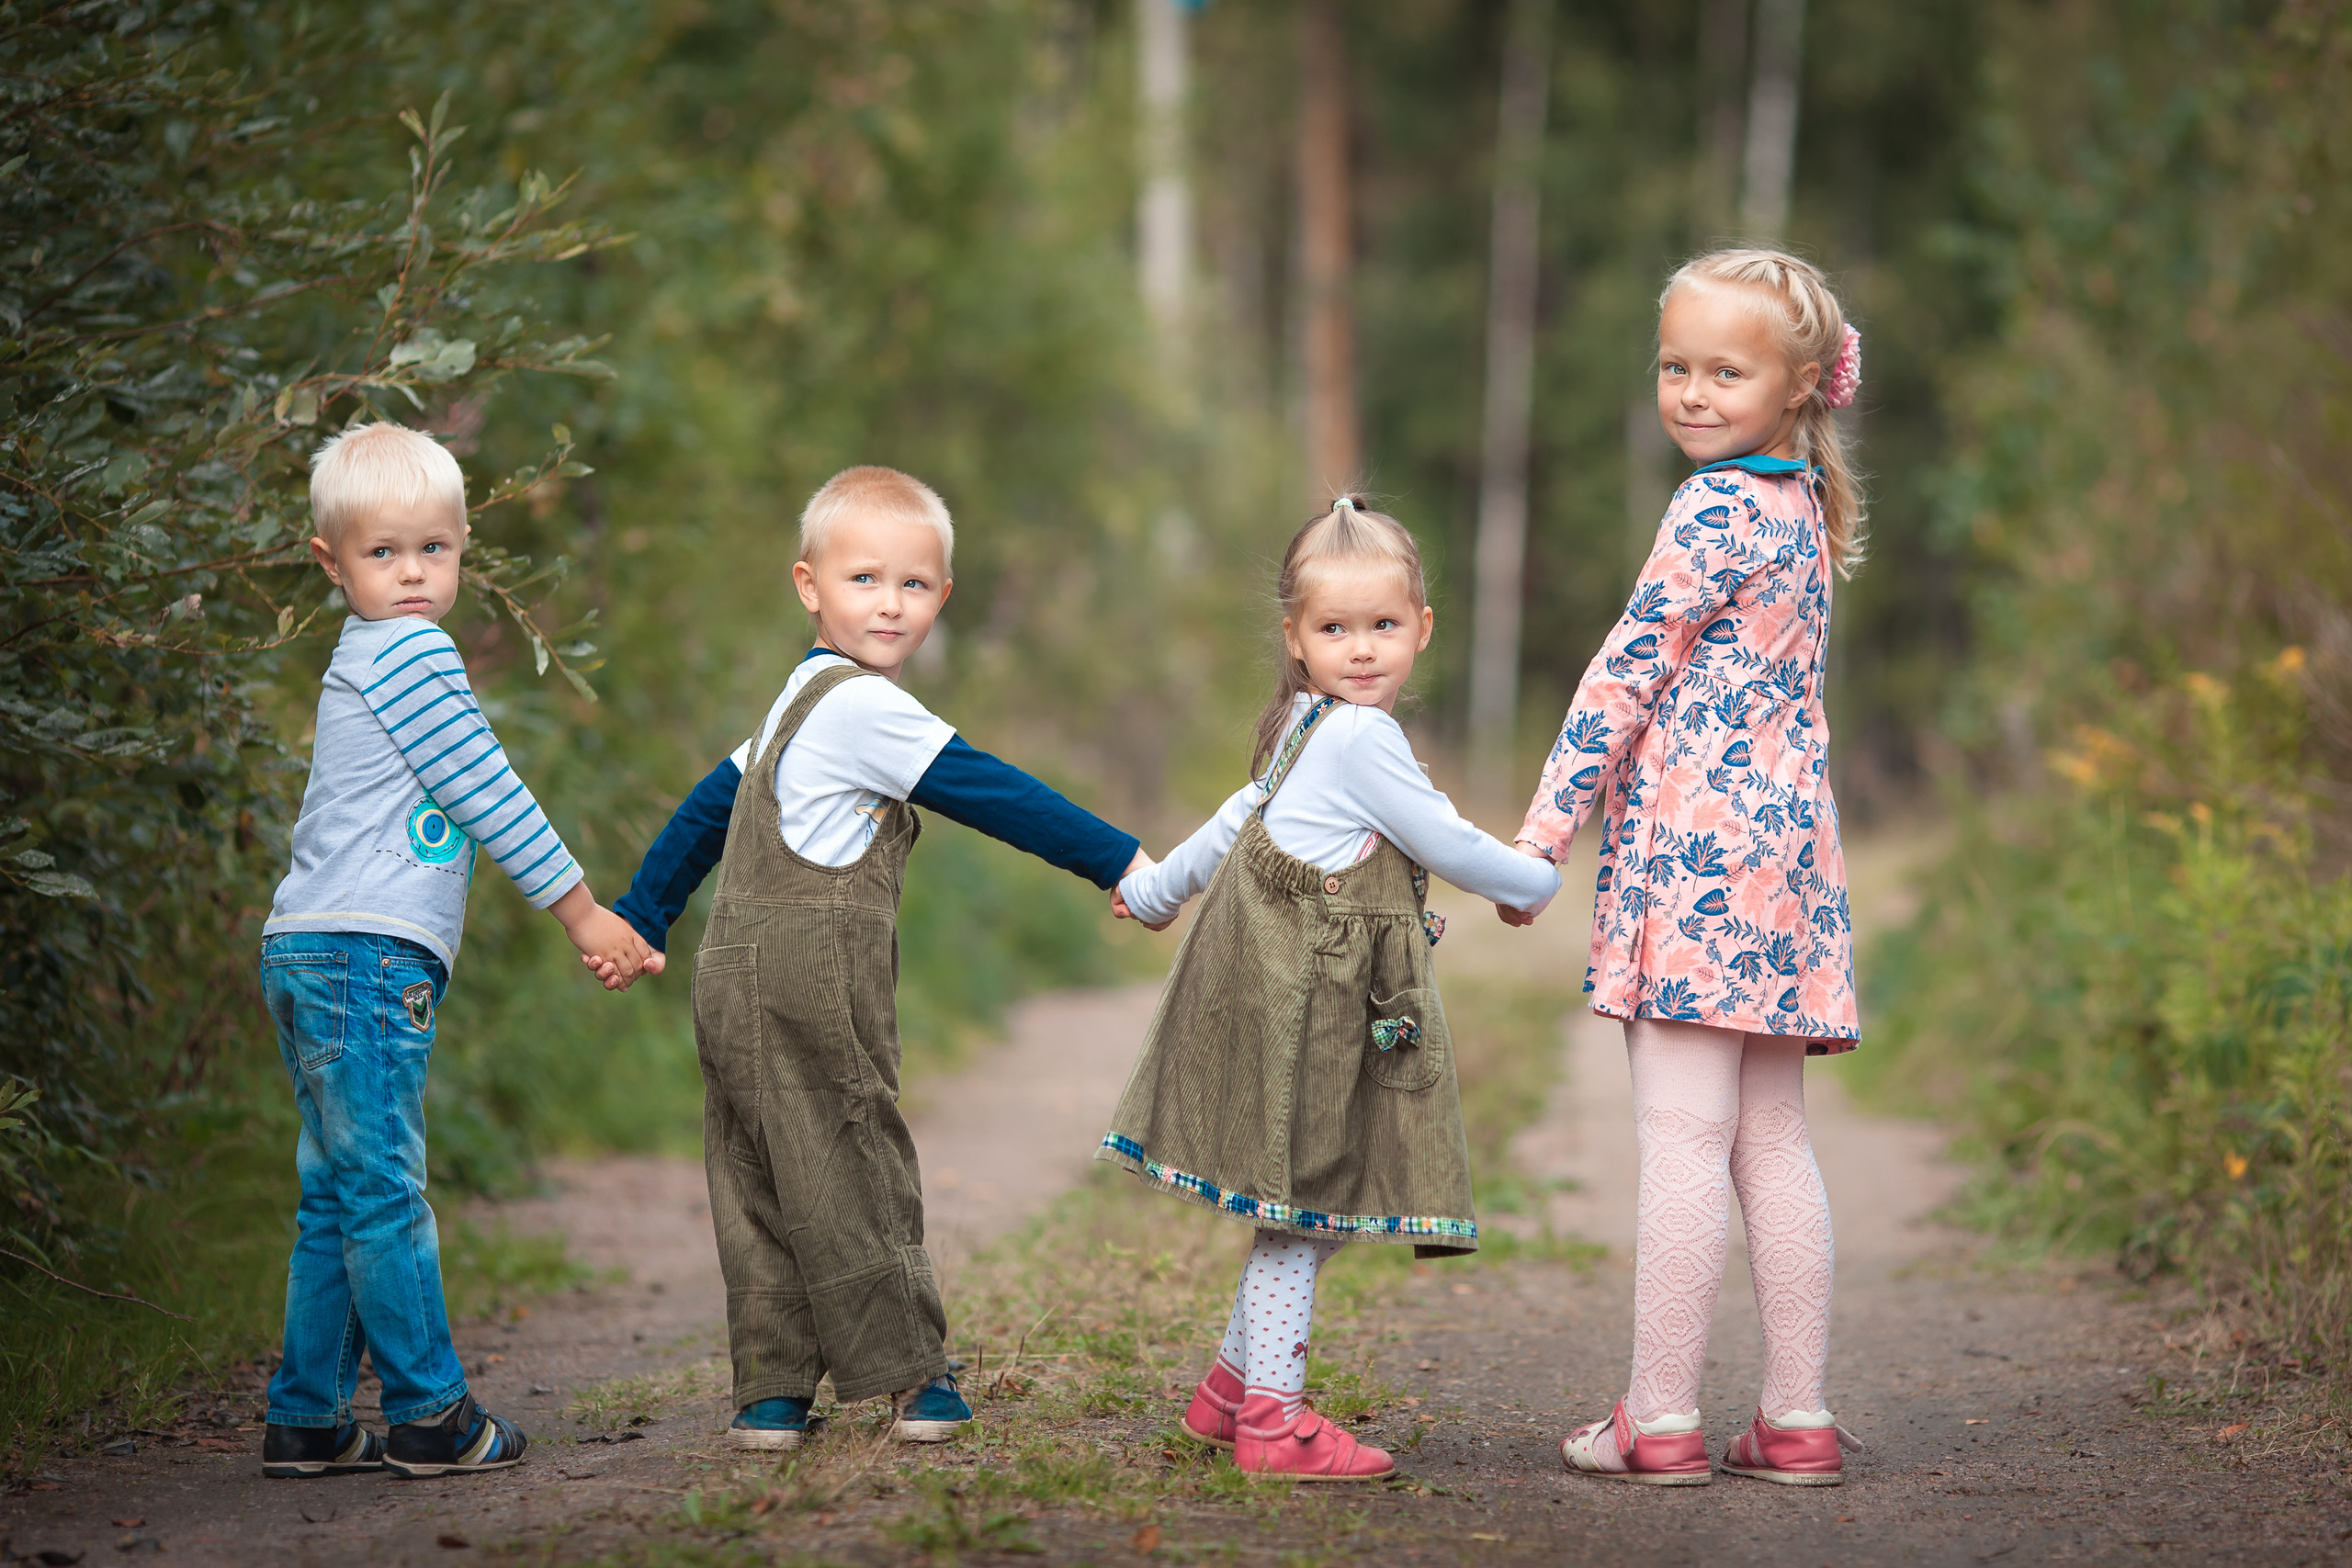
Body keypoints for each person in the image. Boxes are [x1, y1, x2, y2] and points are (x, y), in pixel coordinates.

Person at [596, 466, 1150, 1454]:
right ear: (808, 586)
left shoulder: (791, 702)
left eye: (913, 584)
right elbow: (989, 789)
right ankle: (911, 1380)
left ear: (942, 596)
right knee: (852, 1149)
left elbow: (704, 810)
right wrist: (1119, 859)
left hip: (729, 972)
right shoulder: (864, 707)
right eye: (863, 580)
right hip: (815, 974)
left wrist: (647, 912)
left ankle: (770, 1392)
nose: (888, 603)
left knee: (754, 1164)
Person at [1102, 497, 1559, 1481]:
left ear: (1422, 629)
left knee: (1310, 1198)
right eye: (1334, 629)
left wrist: (1149, 892)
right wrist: (1532, 882)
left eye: (1382, 626)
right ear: (1295, 640)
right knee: (1305, 1206)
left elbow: (1226, 828)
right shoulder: (1353, 738)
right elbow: (1444, 838)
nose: (1361, 651)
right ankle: (1273, 1419)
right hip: (1307, 1008)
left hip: (1280, 998)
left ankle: (1230, 1388)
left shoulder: (1302, 730)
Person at [1511, 249, 1866, 1486]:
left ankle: (1659, 1416)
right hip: (1786, 869)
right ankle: (1797, 1415)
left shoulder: (1715, 507)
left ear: (1801, 382)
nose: (1696, 392)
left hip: (1699, 865)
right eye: (1677, 365)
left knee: (1679, 1135)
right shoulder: (1801, 510)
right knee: (1772, 1140)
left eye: (1728, 369)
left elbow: (1626, 670)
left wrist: (1540, 834)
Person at [259, 423, 652, 1481]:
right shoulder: (413, 655)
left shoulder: (359, 652)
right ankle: (431, 1413)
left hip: (307, 949)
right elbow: (488, 792)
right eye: (382, 554)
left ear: (464, 544)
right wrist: (582, 913)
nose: (413, 575)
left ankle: (307, 1414)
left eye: (433, 549)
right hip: (362, 957)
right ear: (329, 561)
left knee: (339, 1191)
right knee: (383, 1188)